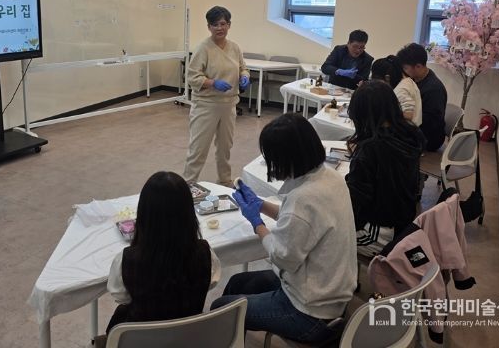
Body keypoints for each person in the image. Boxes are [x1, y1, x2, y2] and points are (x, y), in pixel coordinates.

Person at [211, 113, 356, 345]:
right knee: (238, 283)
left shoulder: (303, 198)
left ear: (287, 158)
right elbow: (302, 224)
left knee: (221, 308)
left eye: (271, 158)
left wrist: (257, 224)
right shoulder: (329, 177)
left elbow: (282, 256)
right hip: (327, 291)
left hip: (309, 312)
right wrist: (260, 205)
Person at [106, 171, 221, 333]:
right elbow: (211, 283)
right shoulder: (205, 253)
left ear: (144, 215)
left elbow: (120, 296)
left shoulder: (126, 260)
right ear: (189, 214)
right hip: (189, 336)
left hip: (142, 339)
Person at [345, 80, 425, 257]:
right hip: (404, 223)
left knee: (322, 234)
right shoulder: (411, 134)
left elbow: (355, 201)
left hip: (379, 232)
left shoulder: (371, 149)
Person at [184, 6, 250, 186]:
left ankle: (224, 180)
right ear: (209, 27)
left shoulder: (234, 47)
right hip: (206, 105)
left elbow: (243, 67)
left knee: (225, 148)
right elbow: (192, 77)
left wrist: (244, 76)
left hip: (229, 105)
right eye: (215, 25)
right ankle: (188, 184)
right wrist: (213, 83)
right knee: (198, 148)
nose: (219, 28)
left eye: (223, 24)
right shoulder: (203, 48)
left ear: (229, 25)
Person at [396, 43, 448, 151]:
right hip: (417, 129)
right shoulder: (415, 79)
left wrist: (402, 115)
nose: (403, 71)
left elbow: (431, 122)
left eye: (405, 68)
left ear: (418, 66)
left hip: (429, 138)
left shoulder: (434, 89)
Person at [371, 55, 422, 126]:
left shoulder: (401, 89)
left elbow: (408, 115)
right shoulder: (407, 80)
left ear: (387, 78)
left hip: (405, 130)